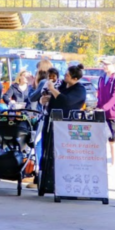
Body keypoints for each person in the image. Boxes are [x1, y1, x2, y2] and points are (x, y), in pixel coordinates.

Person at [39, 63, 88, 194]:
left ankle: (61, 180)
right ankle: (45, 178)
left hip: (66, 125)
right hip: (51, 121)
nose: (65, 76)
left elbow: (65, 101)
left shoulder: (79, 90)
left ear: (75, 78)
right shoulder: (63, 86)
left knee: (61, 152)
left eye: (67, 75)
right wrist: (47, 98)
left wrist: (52, 89)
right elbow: (57, 99)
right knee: (47, 150)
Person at [97, 60, 115, 166]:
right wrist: (98, 107)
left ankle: (114, 164)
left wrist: (104, 108)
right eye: (103, 64)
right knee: (101, 139)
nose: (104, 66)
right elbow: (100, 94)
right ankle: (102, 163)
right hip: (102, 113)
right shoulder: (102, 77)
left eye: (107, 64)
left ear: (113, 65)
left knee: (113, 141)